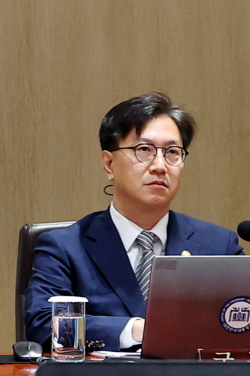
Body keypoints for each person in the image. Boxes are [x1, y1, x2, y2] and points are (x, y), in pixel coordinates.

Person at [24, 93, 243, 351]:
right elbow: (41, 325)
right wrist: (138, 330)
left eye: (172, 152)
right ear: (109, 164)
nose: (160, 165)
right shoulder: (66, 246)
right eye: (144, 150)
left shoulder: (219, 246)